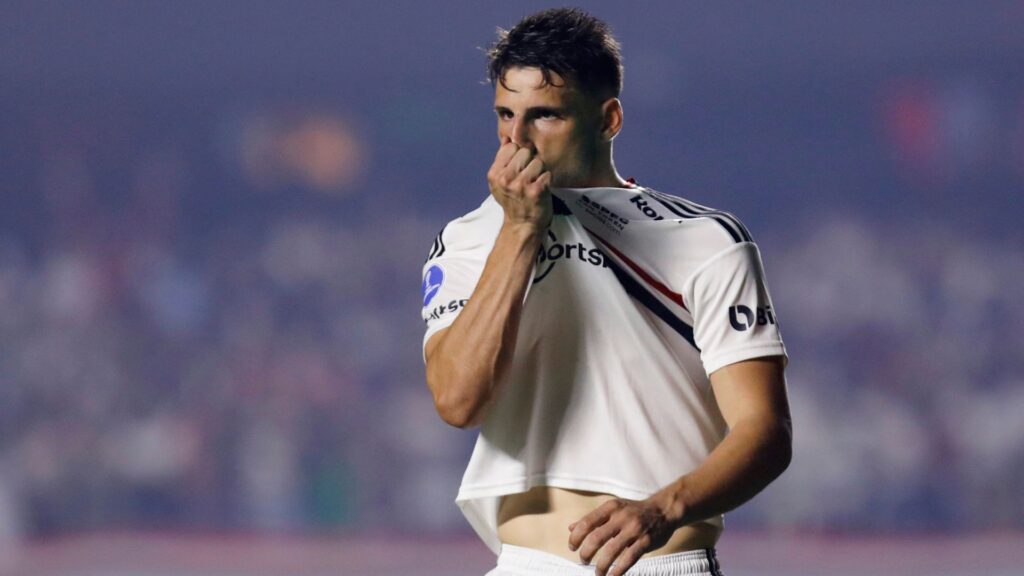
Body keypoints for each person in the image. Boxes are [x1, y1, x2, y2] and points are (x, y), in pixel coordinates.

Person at [420, 8, 792, 576]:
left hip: (663, 560)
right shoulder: (469, 237)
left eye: (545, 115)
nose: (517, 138)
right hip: (526, 565)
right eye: (505, 114)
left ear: (608, 119)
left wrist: (663, 509)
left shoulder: (706, 239)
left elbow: (765, 432)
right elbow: (457, 401)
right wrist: (519, 230)